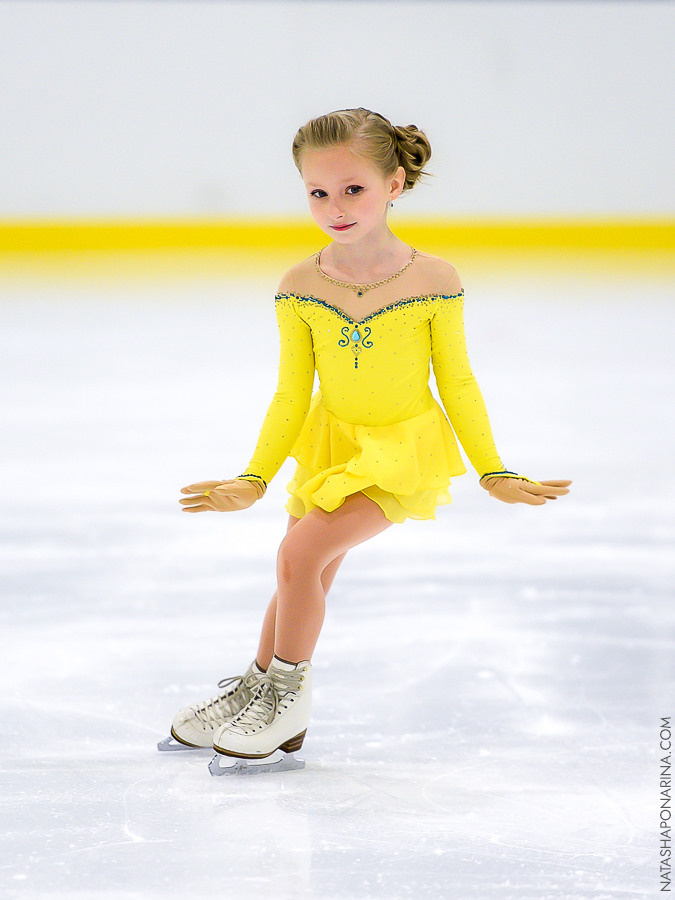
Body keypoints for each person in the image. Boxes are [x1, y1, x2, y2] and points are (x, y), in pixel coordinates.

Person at [166, 107, 571, 768]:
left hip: (402, 452)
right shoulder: (300, 285)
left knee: (299, 555)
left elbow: (457, 382)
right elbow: (290, 394)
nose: (335, 207)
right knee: (304, 570)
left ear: (394, 185)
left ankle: (287, 697)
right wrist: (254, 477)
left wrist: (492, 469)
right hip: (332, 447)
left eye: (353, 189)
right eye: (318, 192)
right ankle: (259, 687)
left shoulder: (433, 280)